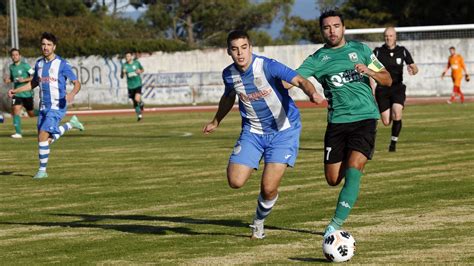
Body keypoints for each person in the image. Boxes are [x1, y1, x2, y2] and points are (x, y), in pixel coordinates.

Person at [202, 30, 324, 239]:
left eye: (244, 47)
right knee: (235, 181)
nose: (240, 53)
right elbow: (228, 97)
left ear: (250, 47)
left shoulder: (268, 66)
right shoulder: (229, 74)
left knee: (268, 188)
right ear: (229, 52)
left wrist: (312, 93)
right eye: (234, 49)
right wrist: (216, 121)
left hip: (284, 131)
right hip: (253, 132)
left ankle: (258, 223)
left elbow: (301, 80)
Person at [295, 10, 392, 238]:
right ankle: (346, 174)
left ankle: (334, 226)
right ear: (322, 31)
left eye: (336, 26)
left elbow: (387, 78)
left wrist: (370, 71)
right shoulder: (318, 59)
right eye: (327, 27)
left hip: (365, 118)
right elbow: (293, 78)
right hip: (337, 123)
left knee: (354, 168)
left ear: (344, 28)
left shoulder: (361, 50)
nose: (332, 31)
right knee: (332, 179)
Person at [8, 32, 84, 179]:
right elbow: (33, 83)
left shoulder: (62, 64)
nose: (46, 47)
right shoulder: (39, 64)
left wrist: (72, 94)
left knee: (43, 135)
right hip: (43, 107)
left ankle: (42, 171)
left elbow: (77, 83)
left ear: (54, 47)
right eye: (43, 44)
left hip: (57, 106)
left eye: (49, 44)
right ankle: (70, 125)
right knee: (44, 139)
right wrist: (15, 91)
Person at [373, 27, 419, 152]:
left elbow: (415, 68)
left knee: (397, 113)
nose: (388, 38)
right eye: (386, 36)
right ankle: (391, 113)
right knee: (386, 121)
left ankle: (393, 143)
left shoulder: (402, 51)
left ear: (395, 37)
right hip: (382, 89)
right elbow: (370, 70)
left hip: (398, 88)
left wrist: (412, 70)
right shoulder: (378, 52)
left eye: (391, 36)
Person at [3, 48, 37, 139]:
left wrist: (24, 80)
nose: (15, 56)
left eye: (16, 55)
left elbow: (34, 77)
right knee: (15, 110)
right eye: (13, 55)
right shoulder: (11, 67)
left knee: (31, 114)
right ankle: (18, 133)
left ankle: (43, 112)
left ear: (20, 56)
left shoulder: (25, 66)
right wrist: (8, 80)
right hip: (17, 93)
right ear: (11, 57)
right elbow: (12, 78)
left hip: (27, 93)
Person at [121, 52, 145, 121]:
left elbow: (142, 70)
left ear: (131, 57)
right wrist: (123, 72)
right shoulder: (124, 65)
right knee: (134, 103)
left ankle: (141, 103)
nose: (127, 58)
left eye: (128, 56)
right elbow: (122, 76)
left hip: (137, 84)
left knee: (137, 99)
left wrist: (139, 71)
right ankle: (139, 115)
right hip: (130, 86)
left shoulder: (136, 63)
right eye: (126, 56)